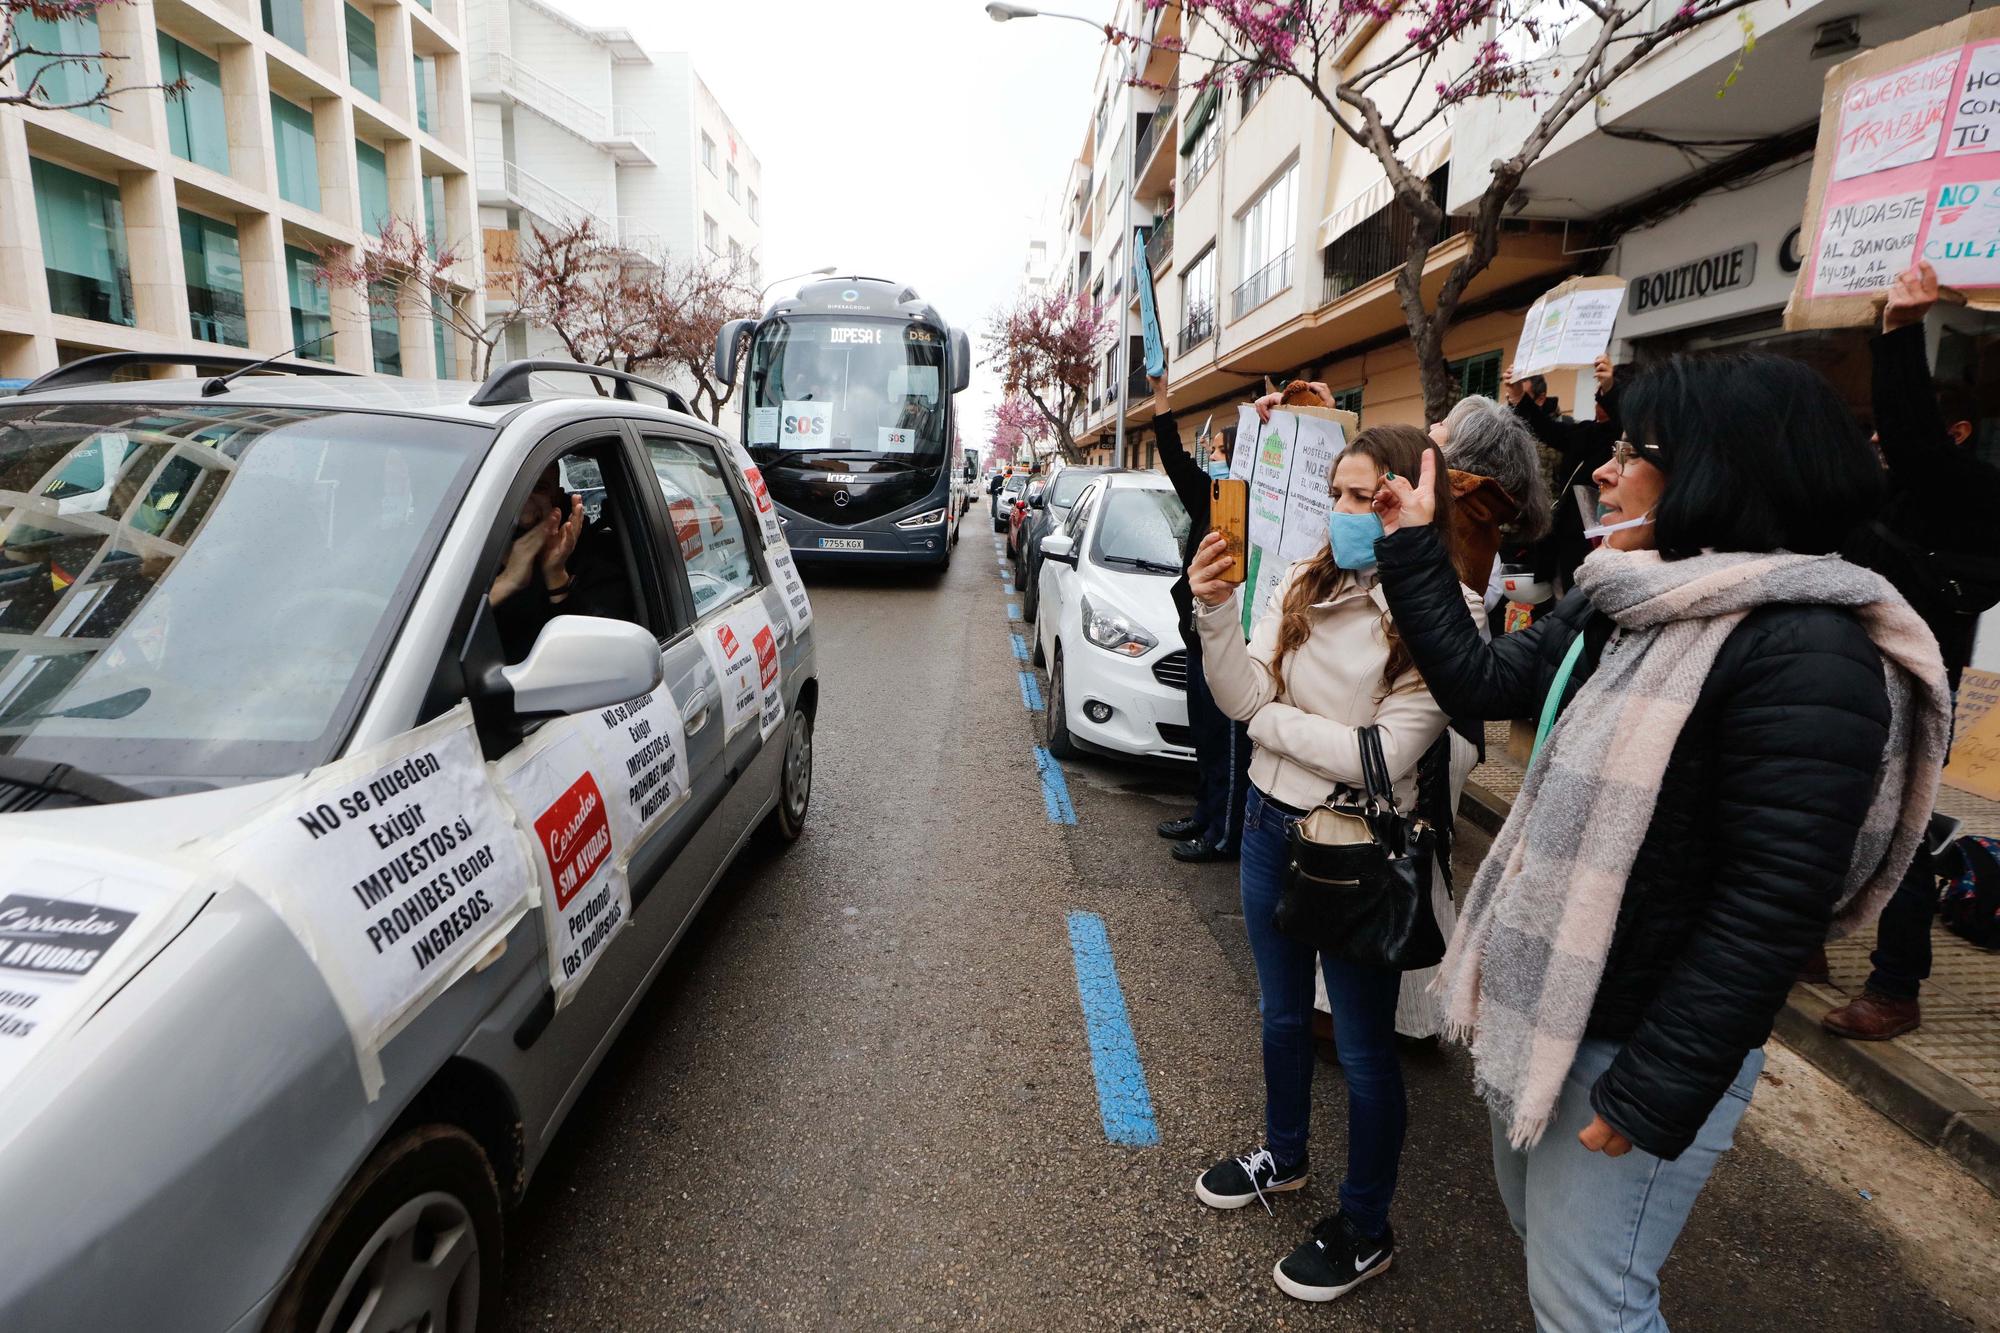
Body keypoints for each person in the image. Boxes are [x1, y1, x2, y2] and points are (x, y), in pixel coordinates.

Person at [1370, 352, 1950, 1332]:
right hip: (1552, 1001)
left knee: (1590, 1303)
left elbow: (1768, 903)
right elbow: (1479, 683)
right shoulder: (1625, 598)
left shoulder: (1809, 650)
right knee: (1541, 1247)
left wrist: (1655, 1088)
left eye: (1634, 449)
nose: (1601, 468)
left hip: (1631, 1038)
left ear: (1720, 473)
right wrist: (1413, 548)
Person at [1187, 424, 1480, 1305]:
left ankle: (1366, 1224)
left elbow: (1383, 758)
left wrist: (1274, 725)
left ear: (1415, 498)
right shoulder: (1305, 580)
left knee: (1360, 1048)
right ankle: (1283, 1154)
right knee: (1280, 1014)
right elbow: (1240, 691)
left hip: (1355, 848)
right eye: (1341, 493)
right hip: (1272, 826)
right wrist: (1210, 613)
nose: (1350, 513)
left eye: (1371, 496)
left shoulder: (1444, 612)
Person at [1824, 260, 2000, 1040]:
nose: (1883, 440)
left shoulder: (1967, 491)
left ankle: (1896, 986)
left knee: (1902, 831)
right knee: (1827, 812)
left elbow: (1914, 441)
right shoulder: (1893, 492)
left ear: (1954, 432)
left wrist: (1898, 333)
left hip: (1915, 684)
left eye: (1904, 429)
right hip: (1854, 672)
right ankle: (1804, 944)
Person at [1148, 377, 1252, 863]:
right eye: (1210, 450)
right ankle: (1205, 815)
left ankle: (1224, 834)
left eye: (1218, 450)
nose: (1211, 457)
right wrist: (1161, 396)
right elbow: (1171, 455)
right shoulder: (1208, 497)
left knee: (1229, 743)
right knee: (1206, 738)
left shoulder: (1260, 513)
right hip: (1197, 640)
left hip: (1233, 647)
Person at [1506, 355, 1626, 595]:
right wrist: (1518, 395)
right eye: (1597, 395)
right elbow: (1547, 430)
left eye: (1603, 396)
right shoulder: (1586, 432)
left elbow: (1626, 420)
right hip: (1562, 541)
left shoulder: (1625, 438)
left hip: (1599, 543)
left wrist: (1611, 388)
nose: (1597, 402)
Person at [489, 462, 629, 662]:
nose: (524, 501)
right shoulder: (460, 552)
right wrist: (506, 582)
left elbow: (604, 658)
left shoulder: (592, 556)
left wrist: (555, 574)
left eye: (538, 489)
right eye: (512, 490)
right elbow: (437, 638)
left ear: (558, 497)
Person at [1426, 393, 1551, 596]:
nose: (1432, 427)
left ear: (1464, 445)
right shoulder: (1477, 508)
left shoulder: (1448, 509)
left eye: (1442, 424)